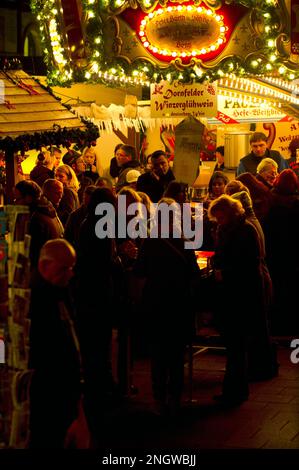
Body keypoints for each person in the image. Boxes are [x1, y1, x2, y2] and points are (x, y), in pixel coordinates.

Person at [208, 195, 268, 405]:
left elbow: (248, 264)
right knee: (235, 346)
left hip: (241, 295)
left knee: (236, 345)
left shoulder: (243, 231)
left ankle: (234, 391)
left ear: (231, 213)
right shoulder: (232, 229)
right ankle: (234, 389)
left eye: (221, 217)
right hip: (237, 295)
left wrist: (224, 272)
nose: (218, 221)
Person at [28, 239, 81, 448]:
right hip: (50, 397)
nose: (71, 274)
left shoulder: (59, 291)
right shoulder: (38, 302)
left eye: (72, 268)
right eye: (64, 269)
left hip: (61, 395)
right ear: (44, 266)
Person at [14, 180, 64, 266]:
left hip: (44, 271)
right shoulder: (47, 210)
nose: (15, 202)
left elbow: (33, 254)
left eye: (17, 199)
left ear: (28, 198)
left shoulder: (36, 219)